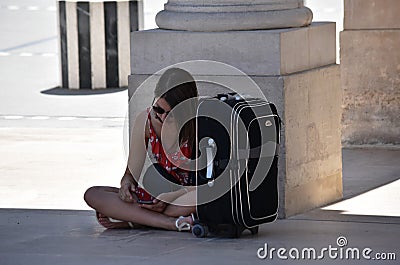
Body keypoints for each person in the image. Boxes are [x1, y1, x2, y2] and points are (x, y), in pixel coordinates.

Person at [84, 68, 198, 231]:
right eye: (158, 109)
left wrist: (172, 196)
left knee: (202, 199)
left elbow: (213, 185)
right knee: (93, 194)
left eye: (172, 114)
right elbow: (131, 174)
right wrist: (126, 186)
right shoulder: (145, 121)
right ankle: (170, 222)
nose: (163, 118)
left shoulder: (199, 124)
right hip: (159, 197)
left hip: (186, 196)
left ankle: (140, 219)